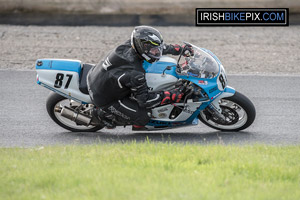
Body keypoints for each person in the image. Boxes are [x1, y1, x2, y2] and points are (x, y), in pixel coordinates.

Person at [87, 25, 193, 129]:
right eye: (154, 50)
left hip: (98, 75)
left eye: (157, 49)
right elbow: (145, 101)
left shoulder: (131, 44)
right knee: (144, 117)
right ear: (142, 48)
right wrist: (169, 95)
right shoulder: (136, 73)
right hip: (103, 97)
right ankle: (101, 114)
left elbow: (155, 48)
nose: (157, 52)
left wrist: (178, 49)